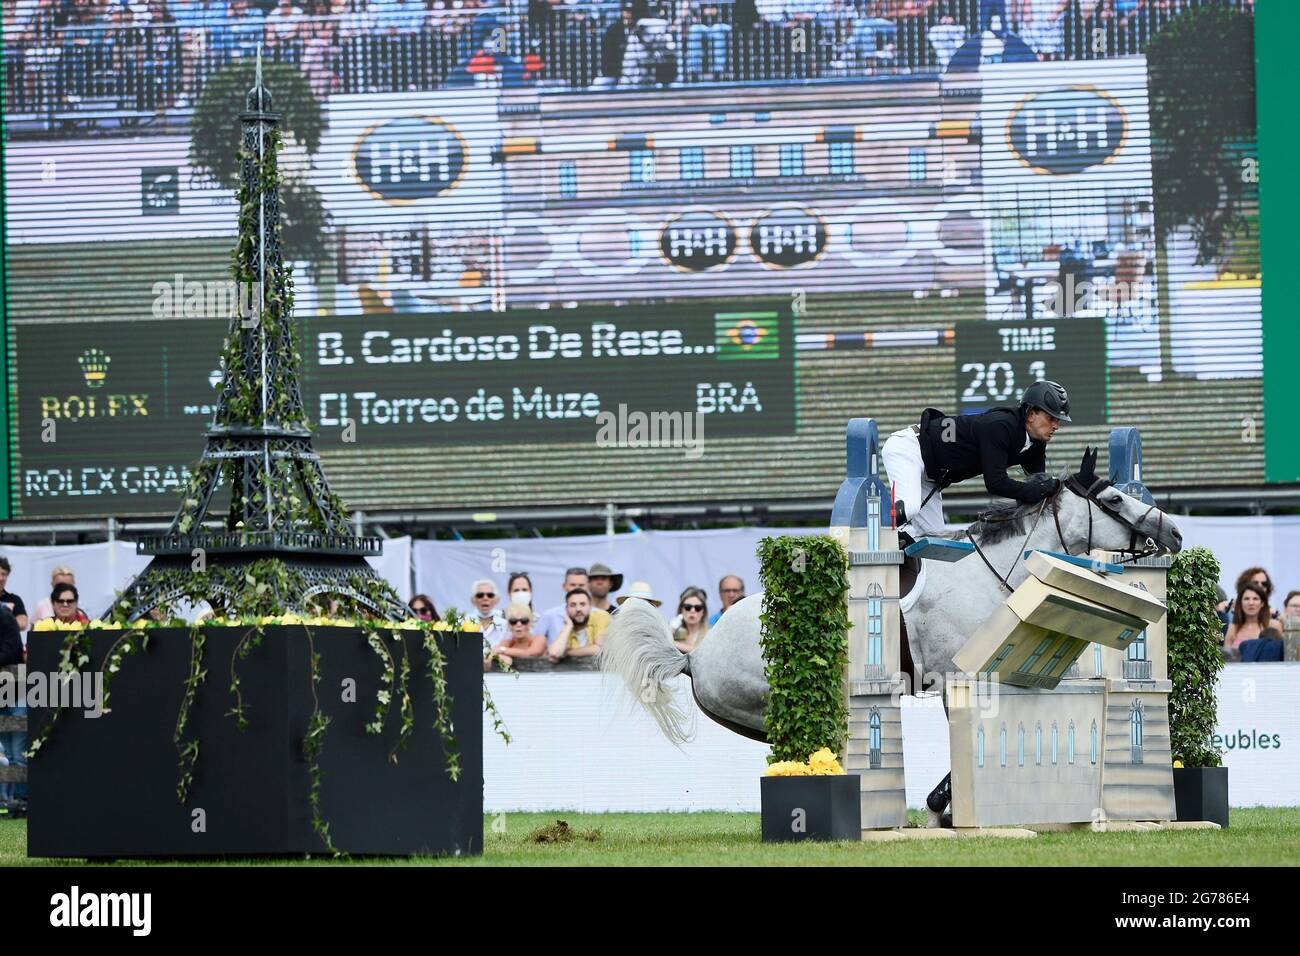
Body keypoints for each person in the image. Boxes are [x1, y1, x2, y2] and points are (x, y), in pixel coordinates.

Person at [881, 380, 1070, 544]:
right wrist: (1042, 488)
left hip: (930, 475)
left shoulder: (1036, 443)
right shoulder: (1001, 425)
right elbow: (996, 483)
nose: (1056, 425)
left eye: (1058, 420)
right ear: (1030, 414)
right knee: (910, 507)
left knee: (936, 543)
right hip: (908, 448)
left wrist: (1051, 489)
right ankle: (861, 537)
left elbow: (1038, 487)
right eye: (1051, 417)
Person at [547, 588, 610, 662]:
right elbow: (554, 653)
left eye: (582, 604)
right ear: (566, 609)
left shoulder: (601, 616)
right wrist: (568, 626)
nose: (578, 609)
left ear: (590, 607)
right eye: (573, 605)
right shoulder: (567, 628)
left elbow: (600, 649)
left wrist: (567, 653)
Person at [485, 603, 547, 670]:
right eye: (513, 621)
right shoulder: (509, 641)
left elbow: (530, 653)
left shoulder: (539, 639)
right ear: (509, 625)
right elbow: (493, 652)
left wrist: (503, 650)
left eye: (524, 621)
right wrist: (500, 656)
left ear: (530, 623)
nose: (519, 624)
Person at [538, 567, 588, 642]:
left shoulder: (598, 615)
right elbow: (536, 644)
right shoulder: (549, 616)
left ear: (588, 586)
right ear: (564, 586)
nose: (577, 589)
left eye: (581, 585)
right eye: (573, 585)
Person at [1224, 583, 1271, 651]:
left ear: (1262, 603)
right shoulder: (1232, 628)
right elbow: (1227, 658)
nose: (1251, 603)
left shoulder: (1271, 626)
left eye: (1255, 599)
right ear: (1240, 603)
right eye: (1246, 599)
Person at [469, 579, 507, 643]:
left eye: (490, 595)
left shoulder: (506, 625)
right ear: (473, 600)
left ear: (496, 600)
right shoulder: (462, 622)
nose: (485, 598)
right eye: (480, 595)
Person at [672, 586, 709, 652]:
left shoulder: (711, 633)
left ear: (703, 611)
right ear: (681, 610)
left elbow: (705, 652)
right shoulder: (673, 632)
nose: (692, 611)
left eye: (698, 608)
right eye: (687, 607)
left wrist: (674, 644)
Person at [0, 558, 29, 632]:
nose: (0, 578)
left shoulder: (15, 599)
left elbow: (23, 624)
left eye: (3, 574)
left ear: (7, 576)